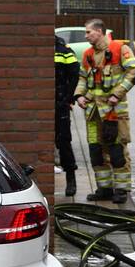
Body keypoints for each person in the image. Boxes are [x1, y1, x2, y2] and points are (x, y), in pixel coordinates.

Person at [74, 19, 135, 204]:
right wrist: (79, 95)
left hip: (114, 112)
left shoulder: (120, 50)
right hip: (93, 113)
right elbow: (82, 78)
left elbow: (134, 72)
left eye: (89, 32)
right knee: (96, 151)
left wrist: (117, 94)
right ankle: (104, 189)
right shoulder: (87, 54)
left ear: (99, 31)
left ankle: (121, 190)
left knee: (117, 151)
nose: (86, 36)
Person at [54, 35, 79, 197]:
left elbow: (75, 75)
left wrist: (67, 98)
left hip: (60, 105)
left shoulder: (64, 51)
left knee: (64, 141)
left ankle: (71, 177)